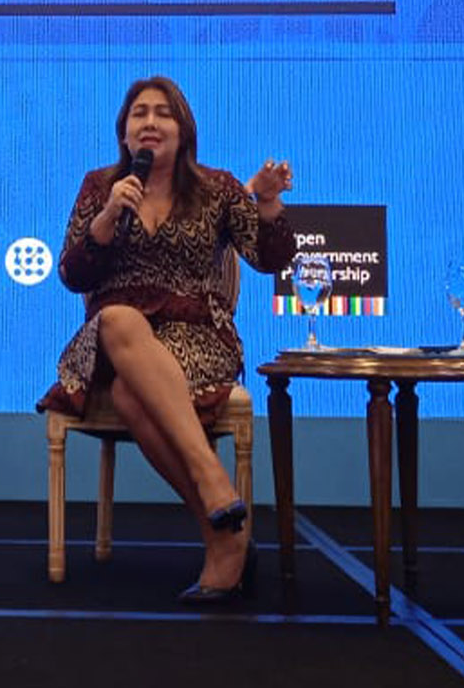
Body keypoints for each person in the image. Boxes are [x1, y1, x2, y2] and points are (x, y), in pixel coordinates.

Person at [40, 75, 297, 604]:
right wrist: (109, 216)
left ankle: (218, 536)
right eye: (139, 114)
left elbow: (271, 260)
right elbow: (72, 274)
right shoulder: (99, 186)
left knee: (136, 393)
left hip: (197, 338)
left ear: (183, 130)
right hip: (110, 347)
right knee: (118, 319)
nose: (150, 122)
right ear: (124, 131)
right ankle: (215, 489)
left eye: (163, 113)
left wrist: (267, 204)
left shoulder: (218, 188)